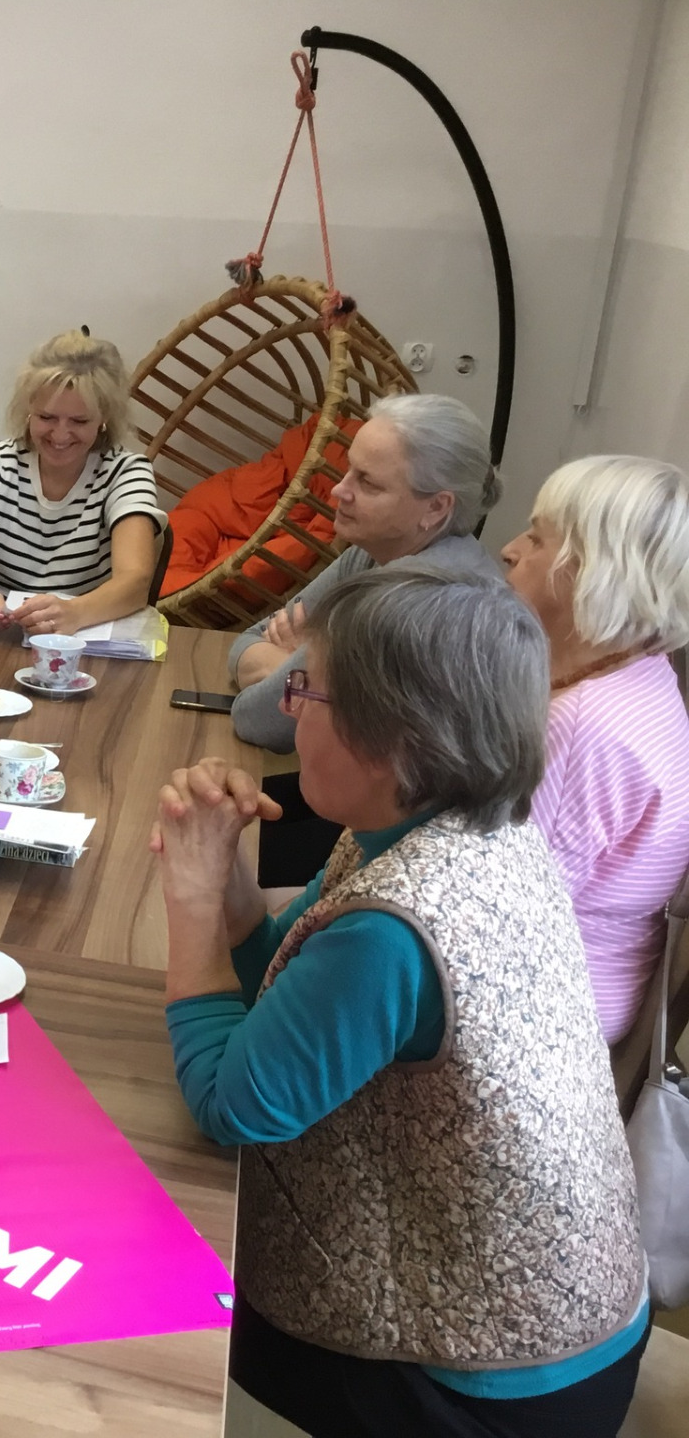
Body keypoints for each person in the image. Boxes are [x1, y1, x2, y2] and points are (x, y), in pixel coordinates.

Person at [154, 567, 648, 1437]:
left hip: (483, 1380)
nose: (291, 711)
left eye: (307, 690)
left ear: (395, 743)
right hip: (563, 1315)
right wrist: (226, 873)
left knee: (151, 1286)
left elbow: (233, 1107)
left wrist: (192, 902)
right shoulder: (460, 825)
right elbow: (287, 984)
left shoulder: (393, 928)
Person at [500, 456, 689, 1044]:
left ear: (593, 570)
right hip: (568, 982)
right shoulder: (641, 668)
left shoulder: (587, 723)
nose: (509, 550)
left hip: (543, 1012)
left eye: (536, 538)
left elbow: (503, 915)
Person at [228, 392, 499, 754]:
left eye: (368, 483)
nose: (339, 490)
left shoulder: (416, 598)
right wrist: (304, 672)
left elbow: (256, 719)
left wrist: (301, 664)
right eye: (349, 470)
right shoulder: (375, 552)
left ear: (436, 507)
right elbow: (246, 642)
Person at [0, 329, 164, 637]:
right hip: (1, 636)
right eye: (47, 417)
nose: (60, 434)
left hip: (81, 638)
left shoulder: (127, 472)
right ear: (28, 410)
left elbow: (135, 582)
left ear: (104, 418)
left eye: (79, 421)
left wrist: (74, 613)